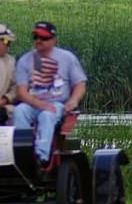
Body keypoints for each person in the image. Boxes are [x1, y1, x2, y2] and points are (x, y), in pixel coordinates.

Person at [14, 21, 87, 166]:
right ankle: (23, 153)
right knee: (19, 111)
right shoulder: (24, 61)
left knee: (47, 115)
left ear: (53, 40)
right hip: (32, 103)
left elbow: (80, 84)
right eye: (36, 37)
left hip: (57, 103)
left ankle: (42, 157)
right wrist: (39, 103)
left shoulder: (67, 58)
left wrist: (73, 101)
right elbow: (21, 92)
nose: (39, 41)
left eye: (43, 38)